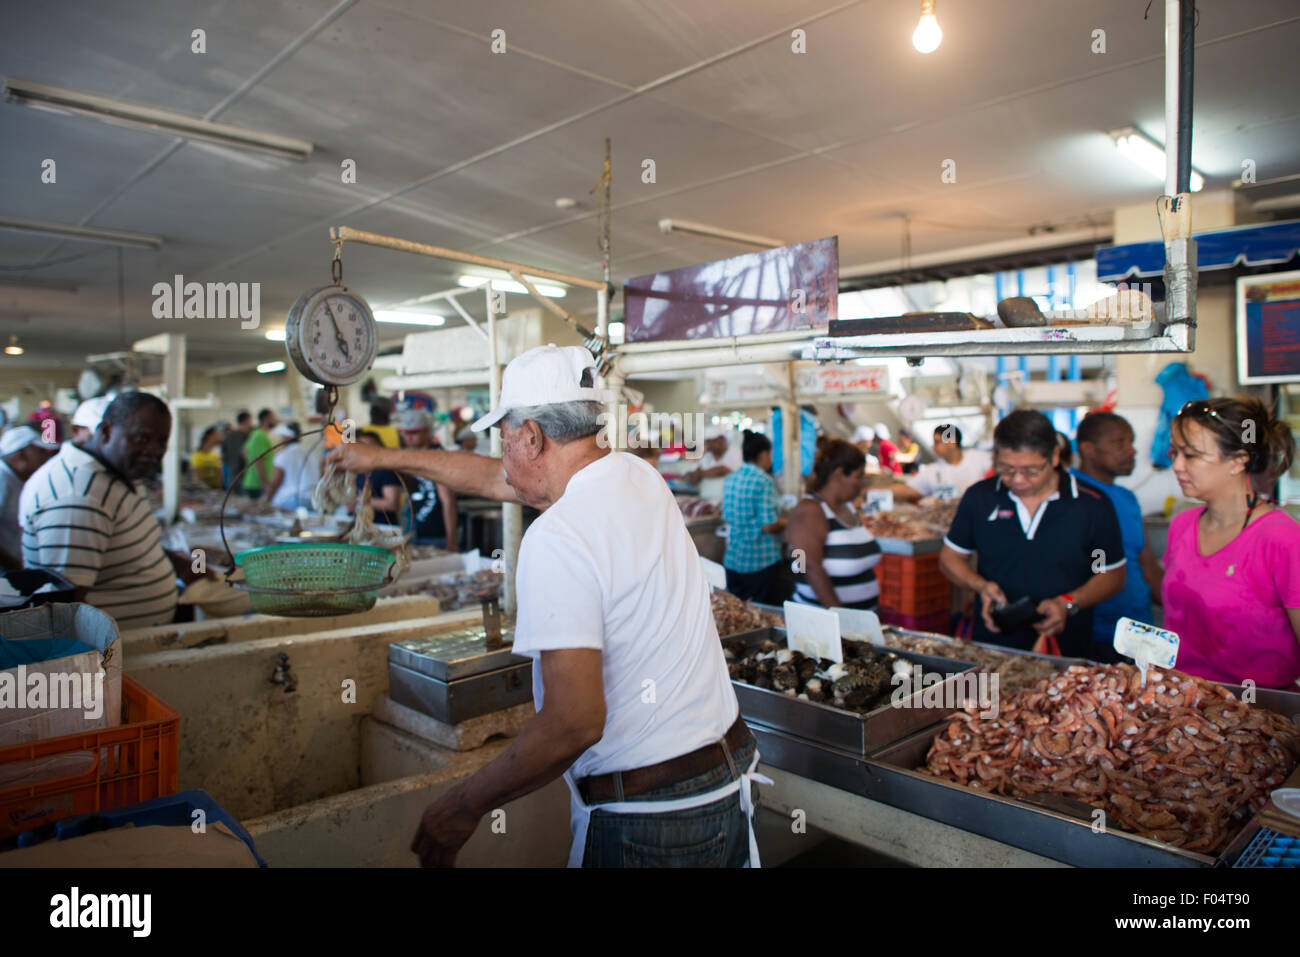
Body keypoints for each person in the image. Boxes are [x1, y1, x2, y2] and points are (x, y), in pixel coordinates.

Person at [326, 344, 759, 869]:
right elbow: (491, 476)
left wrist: (462, 806)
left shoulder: (557, 535)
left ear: (530, 436)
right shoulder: (637, 476)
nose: (503, 455)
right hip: (726, 782)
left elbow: (574, 722)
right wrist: (379, 459)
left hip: (654, 823)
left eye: (504, 436)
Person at [938, 409, 1126, 658]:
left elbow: (1109, 572)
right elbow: (950, 558)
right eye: (1006, 469)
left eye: (1031, 470)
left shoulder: (1090, 505)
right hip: (992, 646)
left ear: (1055, 456)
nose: (1017, 479)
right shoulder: (980, 499)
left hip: (1066, 649)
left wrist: (1068, 603)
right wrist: (980, 586)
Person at [20, 392, 205, 629]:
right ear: (106, 431)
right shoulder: (79, 496)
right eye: (142, 438)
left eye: (162, 441)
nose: (154, 450)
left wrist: (176, 563)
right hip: (111, 653)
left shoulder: (117, 471)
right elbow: (66, 608)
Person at [1161, 397, 1300, 689]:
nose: (1177, 465)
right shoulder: (1182, 526)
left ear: (1238, 460)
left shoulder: (1282, 539)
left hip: (1260, 713)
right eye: (1175, 453)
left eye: (1192, 455)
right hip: (1183, 705)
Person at [1071, 412, 1164, 660]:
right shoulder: (1069, 493)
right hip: (1094, 635)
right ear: (1088, 449)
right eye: (1118, 443)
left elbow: (1148, 566)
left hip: (1139, 635)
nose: (1131, 450)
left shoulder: (1127, 498)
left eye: (1131, 442)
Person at [785, 438, 881, 609]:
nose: (861, 484)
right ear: (838, 474)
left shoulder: (849, 508)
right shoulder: (810, 511)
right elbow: (808, 566)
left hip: (862, 621)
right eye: (858, 477)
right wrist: (842, 619)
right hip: (826, 624)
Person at [721, 430, 787, 604]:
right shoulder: (763, 480)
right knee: (763, 615)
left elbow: (727, 516)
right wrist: (787, 521)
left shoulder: (730, 479)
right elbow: (769, 525)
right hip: (760, 562)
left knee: (742, 615)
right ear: (763, 454)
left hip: (733, 560)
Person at [0, 425, 60, 569]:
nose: (46, 457)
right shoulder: (2, 479)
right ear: (21, 455)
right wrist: (16, 566)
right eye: (40, 451)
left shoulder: (18, 479)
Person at [398, 408, 458, 548]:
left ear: (426, 431)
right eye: (406, 433)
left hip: (436, 535)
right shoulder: (411, 457)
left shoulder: (438, 457)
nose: (409, 437)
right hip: (414, 533)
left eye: (415, 432)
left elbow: (448, 500)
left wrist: (452, 540)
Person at [888, 424, 992, 503]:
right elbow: (908, 489)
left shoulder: (979, 458)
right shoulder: (933, 470)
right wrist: (874, 491)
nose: (933, 447)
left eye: (937, 442)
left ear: (951, 442)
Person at [265, 423, 324, 511]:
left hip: (291, 500)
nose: (281, 439)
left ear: (287, 437)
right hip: (313, 499)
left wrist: (267, 501)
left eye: (283, 436)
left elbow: (275, 482)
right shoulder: (312, 453)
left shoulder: (283, 455)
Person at [354, 430, 404, 526]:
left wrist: (362, 500)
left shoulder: (387, 470)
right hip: (363, 526)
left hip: (384, 527)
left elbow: (392, 503)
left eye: (370, 446)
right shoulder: (359, 470)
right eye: (362, 446)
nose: (366, 450)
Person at [690, 427, 742, 501]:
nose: (710, 444)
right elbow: (694, 479)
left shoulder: (735, 452)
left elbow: (723, 470)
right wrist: (700, 473)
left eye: (713, 441)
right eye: (708, 442)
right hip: (706, 501)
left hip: (728, 500)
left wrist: (701, 473)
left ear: (722, 440)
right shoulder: (707, 456)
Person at [240, 408, 277, 499]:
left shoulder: (256, 434)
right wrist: (265, 483)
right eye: (273, 417)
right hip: (257, 484)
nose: (276, 419)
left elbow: (244, 451)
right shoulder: (260, 435)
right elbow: (258, 460)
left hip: (254, 482)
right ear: (265, 419)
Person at [222, 411, 251, 489]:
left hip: (231, 476)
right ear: (246, 420)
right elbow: (246, 455)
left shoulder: (228, 436)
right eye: (250, 421)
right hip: (243, 475)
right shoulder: (247, 437)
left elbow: (223, 457)